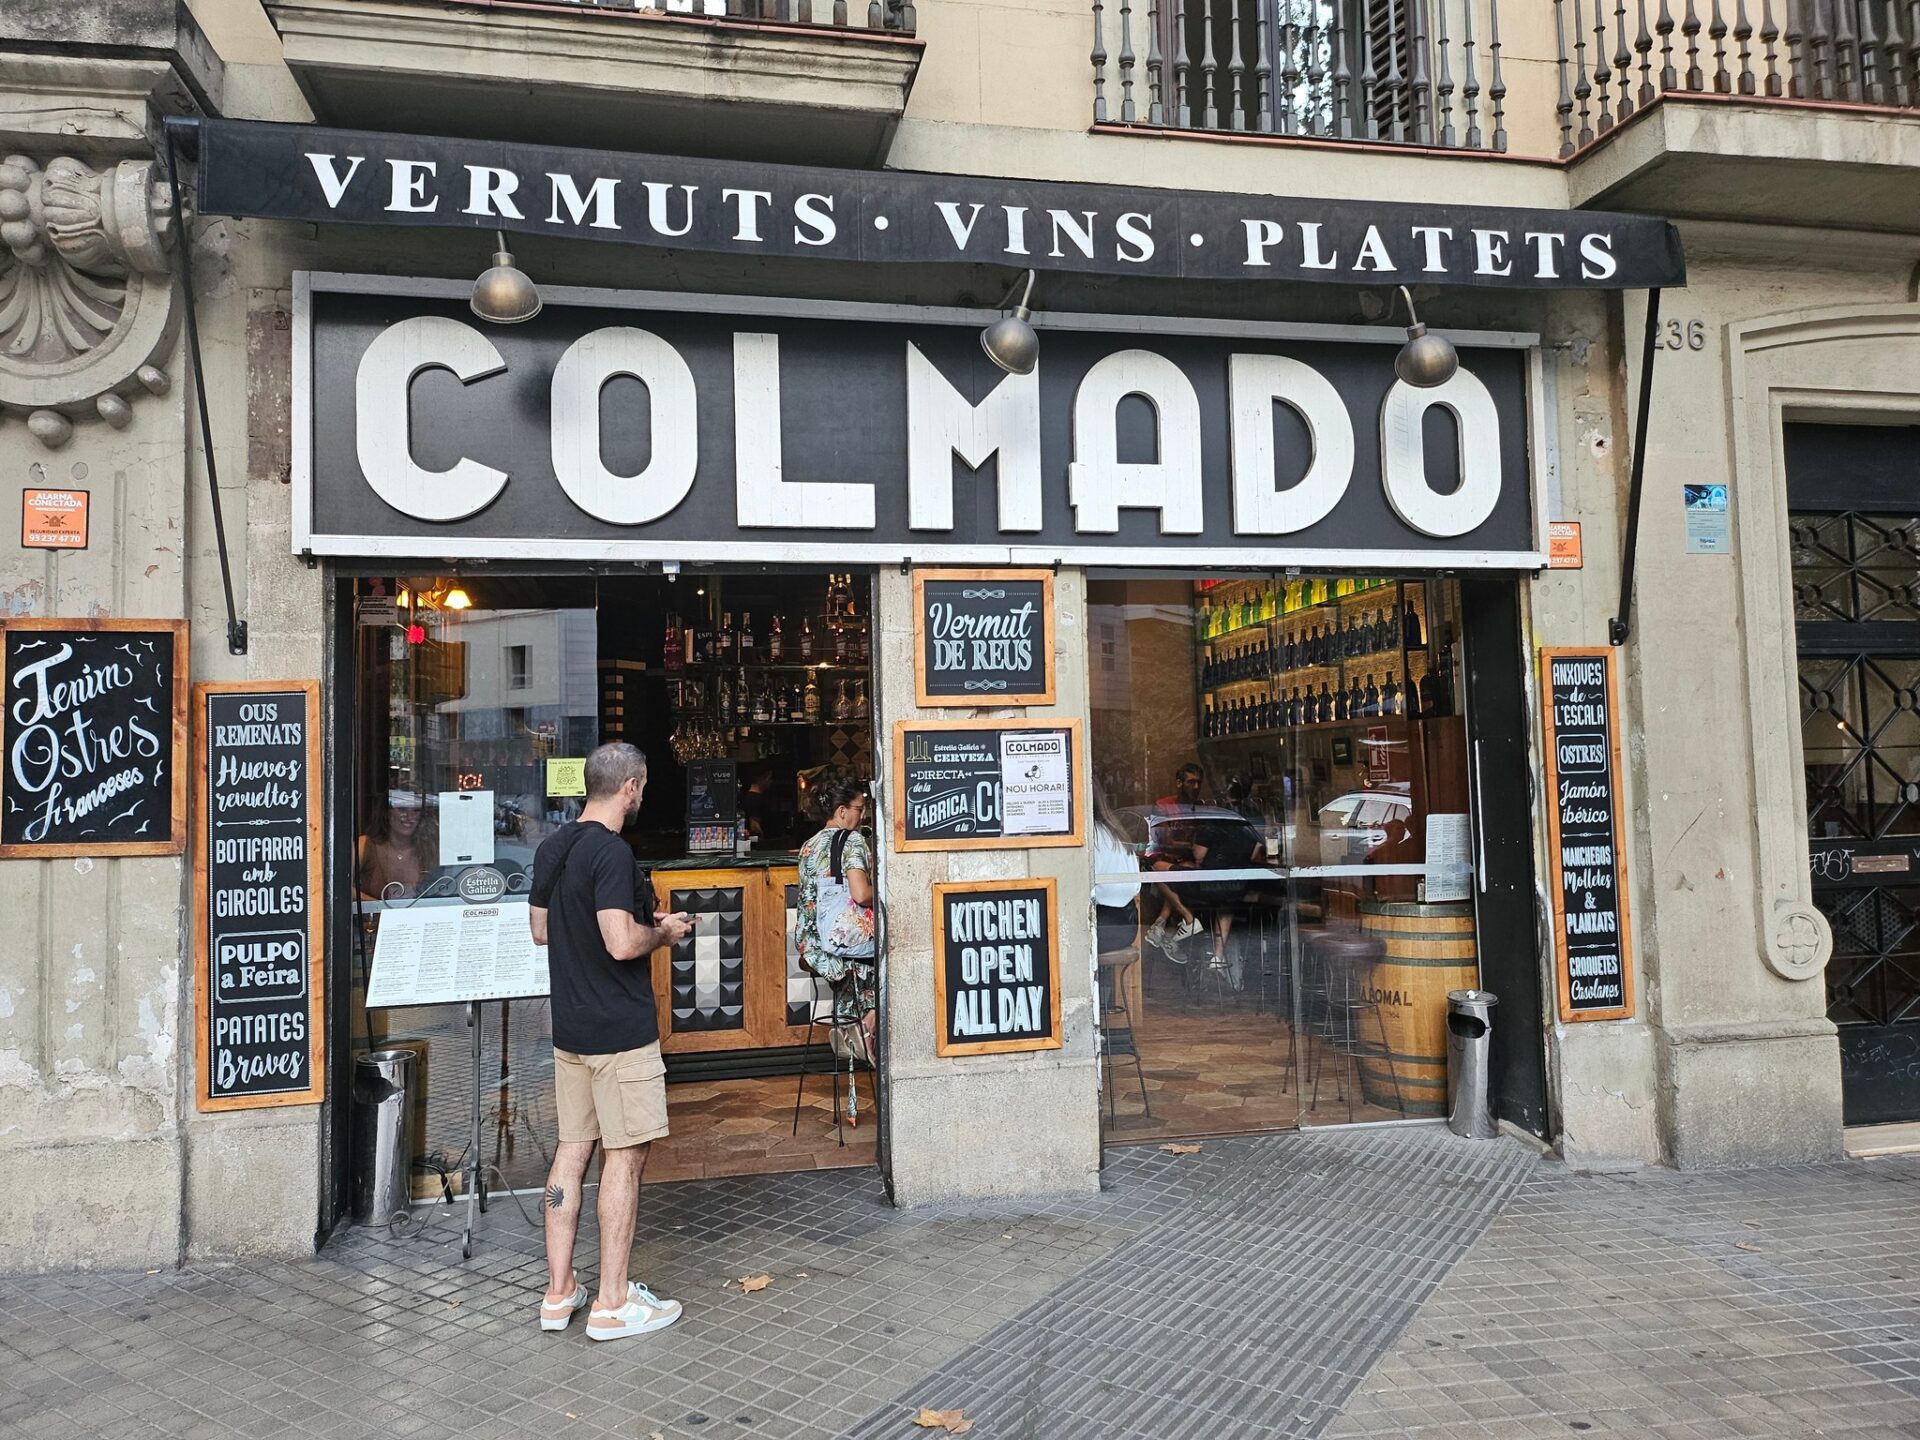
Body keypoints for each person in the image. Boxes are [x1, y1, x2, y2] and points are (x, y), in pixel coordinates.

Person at [528, 742, 694, 1342]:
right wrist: (664, 931)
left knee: (571, 1154)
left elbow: (540, 930)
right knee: (624, 1159)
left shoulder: (554, 847)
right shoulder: (613, 853)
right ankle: (614, 1303)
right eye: (642, 787)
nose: (643, 795)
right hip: (619, 1034)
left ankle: (559, 1293)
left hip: (570, 1029)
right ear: (631, 786)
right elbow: (622, 943)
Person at [795, 775, 877, 1045]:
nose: (863, 815)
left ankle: (850, 1026)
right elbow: (861, 894)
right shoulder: (852, 841)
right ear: (842, 811)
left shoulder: (808, 845)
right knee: (900, 958)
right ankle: (866, 1025)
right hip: (844, 943)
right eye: (859, 808)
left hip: (816, 944)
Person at [1143, 763, 1208, 957]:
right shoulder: (1164, 805)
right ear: (1179, 783)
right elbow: (1165, 840)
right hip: (1164, 856)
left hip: (1187, 861)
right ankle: (1187, 918)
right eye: (1191, 782)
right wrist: (1192, 846)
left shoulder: (1202, 807)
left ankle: (1160, 923)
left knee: (1184, 871)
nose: (1196, 787)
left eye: (1198, 782)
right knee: (1159, 869)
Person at [356, 790, 434, 899]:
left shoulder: (430, 850)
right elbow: (339, 884)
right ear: (387, 813)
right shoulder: (365, 845)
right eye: (402, 809)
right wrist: (377, 908)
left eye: (416, 810)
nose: (409, 816)